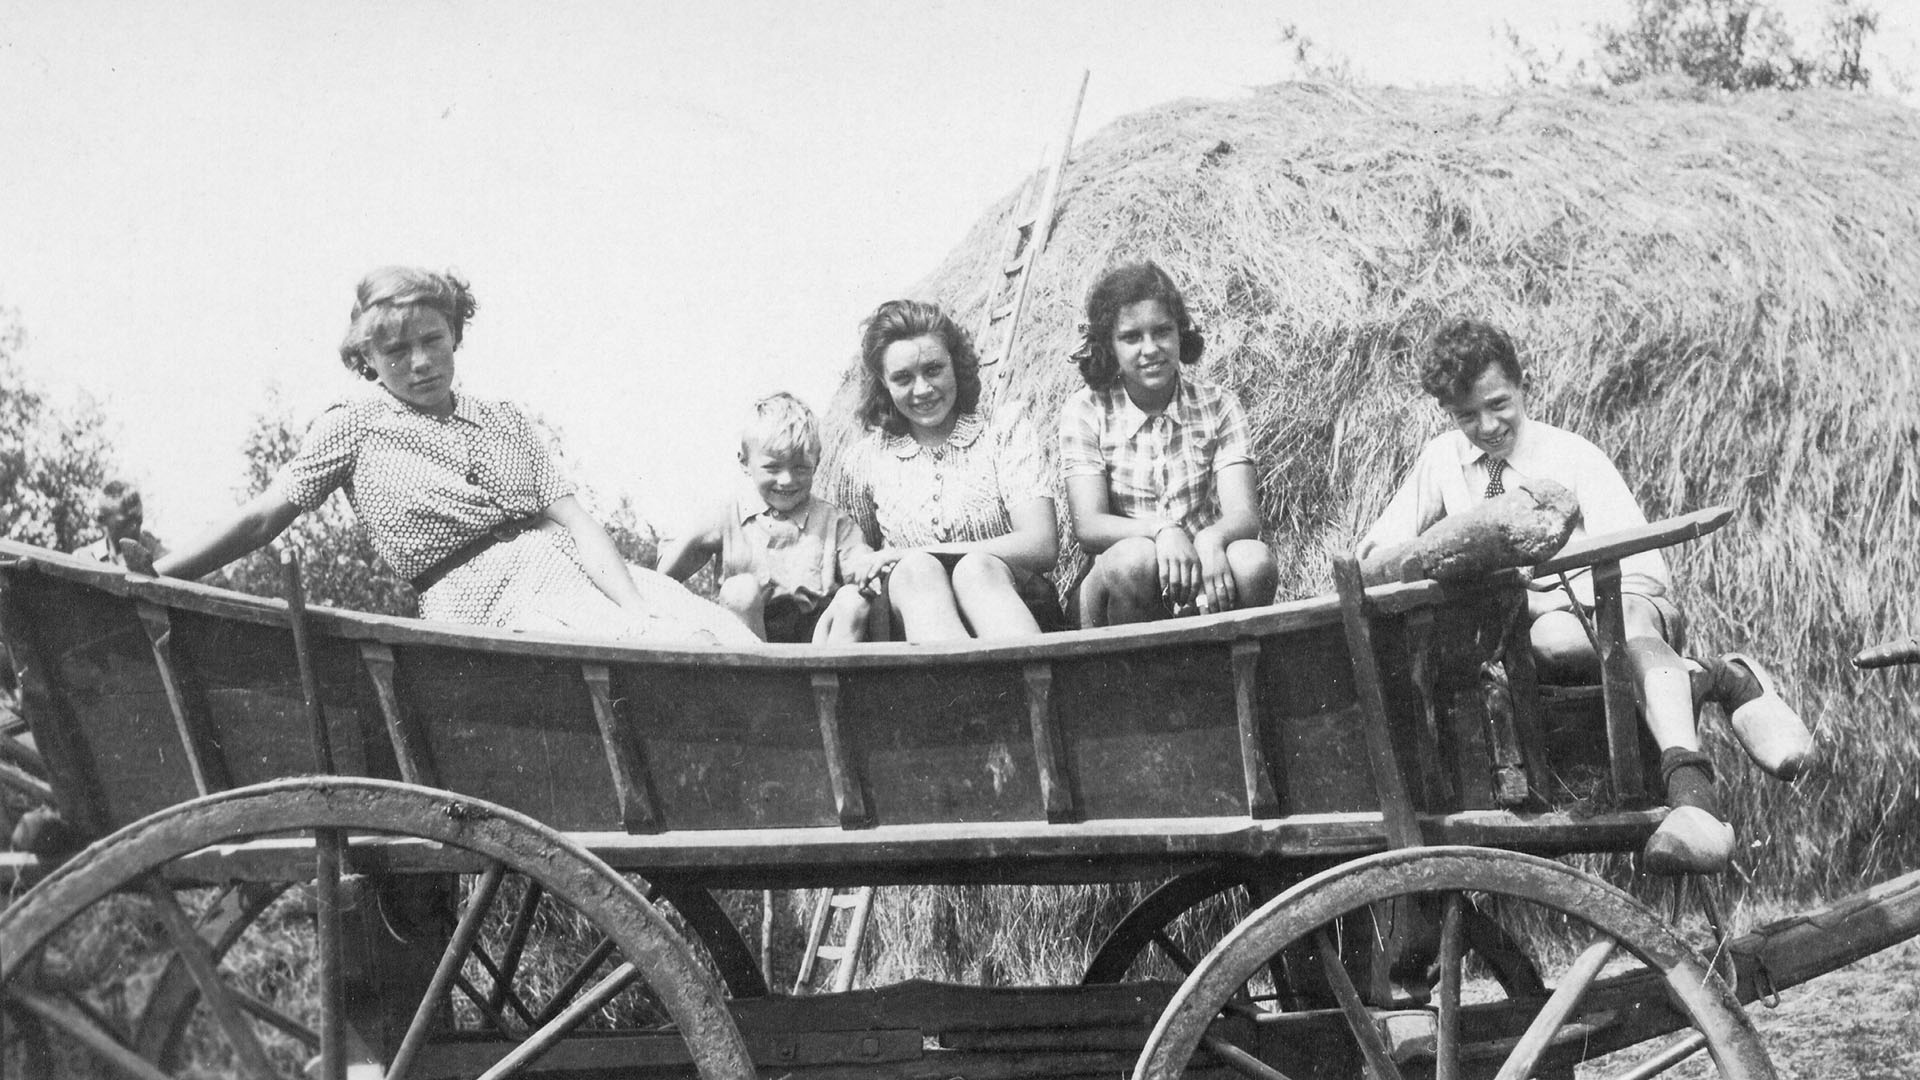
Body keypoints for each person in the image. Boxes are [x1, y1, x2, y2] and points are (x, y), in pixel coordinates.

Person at [1356, 317, 1813, 875]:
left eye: (1498, 404)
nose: (1487, 425)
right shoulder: (1443, 460)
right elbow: (1377, 546)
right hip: (1531, 635)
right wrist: (1416, 552)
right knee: (1545, 638)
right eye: (1466, 415)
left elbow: (1643, 570)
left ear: (1522, 384)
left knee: (1617, 620)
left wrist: (1574, 598)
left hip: (1614, 604)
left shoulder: (1573, 456)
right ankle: (1707, 677)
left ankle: (1691, 793)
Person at [149, 266, 751, 645]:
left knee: (714, 637)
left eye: (433, 340)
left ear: (455, 335)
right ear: (368, 359)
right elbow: (262, 516)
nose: (419, 362)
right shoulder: (355, 424)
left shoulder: (505, 419)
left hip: (577, 578)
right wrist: (158, 574)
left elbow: (575, 522)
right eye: (395, 350)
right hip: (483, 603)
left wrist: (636, 607)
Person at [1059, 260, 1277, 626]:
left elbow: (1244, 515)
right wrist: (1161, 530)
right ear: (1110, 344)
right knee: (1136, 560)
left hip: (1199, 566)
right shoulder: (1087, 410)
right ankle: (1132, 678)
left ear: (1181, 332)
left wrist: (1210, 539)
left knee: (1253, 561)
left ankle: (1235, 675)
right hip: (1122, 573)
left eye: (1162, 331)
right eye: (1131, 337)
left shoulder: (1219, 405)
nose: (1150, 349)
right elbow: (1089, 526)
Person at [833, 299, 1060, 642]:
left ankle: (1033, 685)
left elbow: (1041, 545)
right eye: (903, 378)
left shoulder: (1002, 431)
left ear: (956, 363)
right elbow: (861, 562)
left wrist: (911, 552)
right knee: (916, 572)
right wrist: (902, 563)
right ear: (883, 383)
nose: (923, 389)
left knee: (975, 568)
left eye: (934, 369)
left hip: (1013, 610)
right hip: (913, 626)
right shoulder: (864, 462)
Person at [657, 393, 872, 643]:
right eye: (772, 468)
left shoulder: (834, 521)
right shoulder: (727, 515)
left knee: (852, 599)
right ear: (745, 462)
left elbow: (861, 563)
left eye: (800, 468)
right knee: (739, 590)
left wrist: (865, 569)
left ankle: (832, 679)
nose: (787, 480)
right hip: (749, 638)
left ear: (817, 462)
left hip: (816, 641)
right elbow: (663, 577)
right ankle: (756, 681)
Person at [73, 479, 168, 566]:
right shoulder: (83, 559)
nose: (100, 523)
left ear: (133, 524)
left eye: (104, 518)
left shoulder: (164, 561)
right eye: (100, 518)